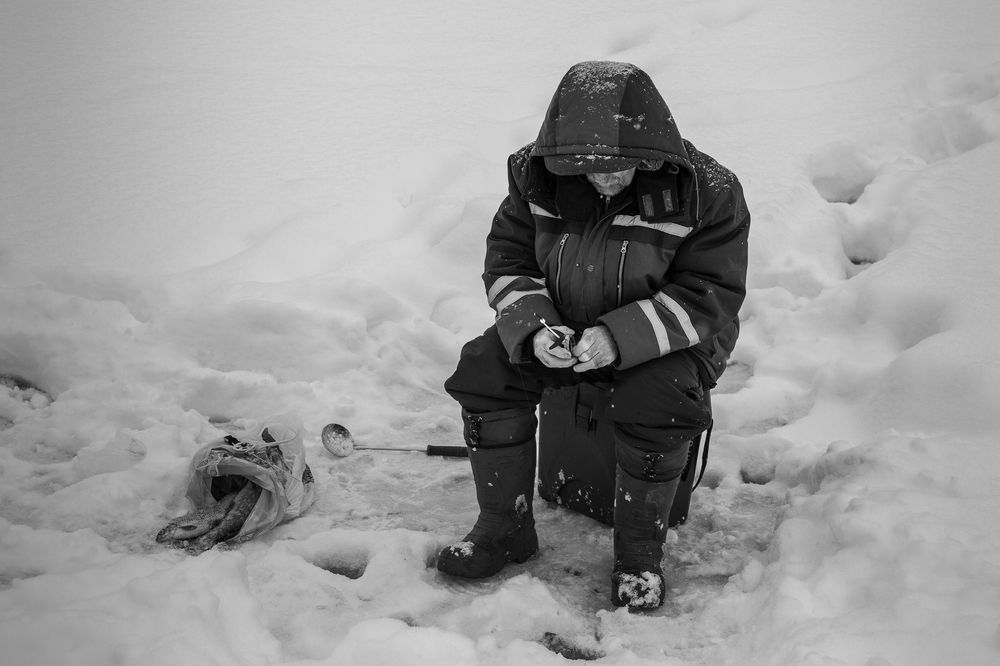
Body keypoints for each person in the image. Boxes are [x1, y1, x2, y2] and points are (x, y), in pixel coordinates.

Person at [436, 61, 750, 609]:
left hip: (678, 333)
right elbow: (507, 261)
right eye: (587, 168)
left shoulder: (707, 192)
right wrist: (535, 329)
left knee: (659, 397)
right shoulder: (537, 180)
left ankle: (638, 557)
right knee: (485, 368)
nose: (605, 179)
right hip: (563, 321)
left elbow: (711, 292)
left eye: (619, 168)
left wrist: (616, 337)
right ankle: (504, 527)